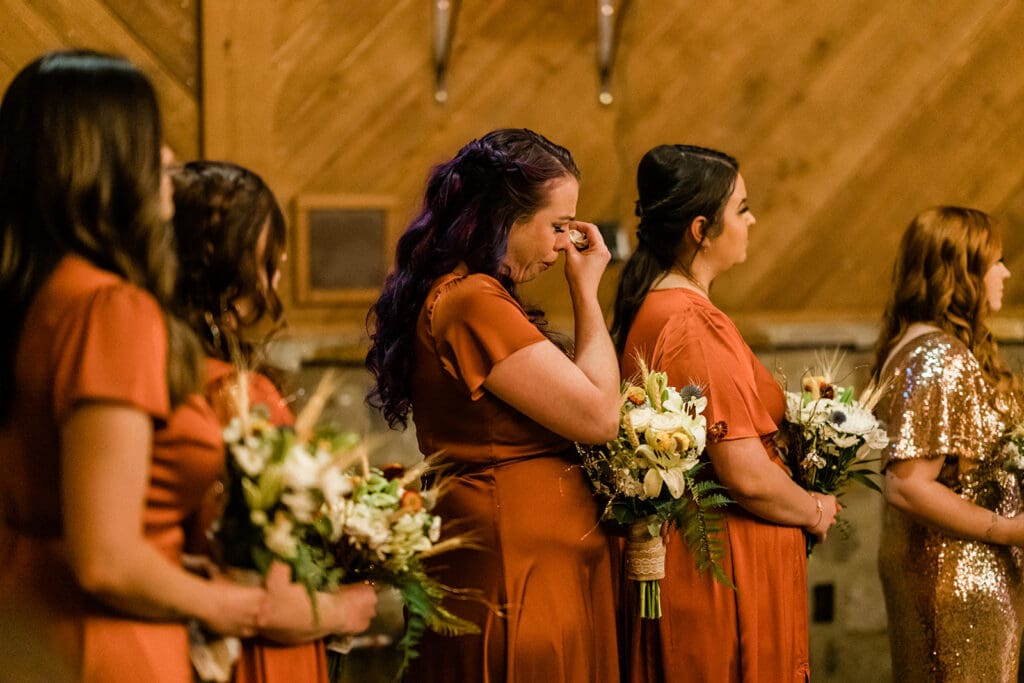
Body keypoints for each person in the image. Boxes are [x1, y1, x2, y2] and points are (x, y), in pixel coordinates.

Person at [0, 51, 265, 682]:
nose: (171, 162)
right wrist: (244, 608)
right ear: (104, 163)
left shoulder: (32, 298)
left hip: (26, 628)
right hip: (105, 645)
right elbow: (107, 559)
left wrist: (170, 566)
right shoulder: (110, 310)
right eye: (153, 141)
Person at [365, 128, 621, 681]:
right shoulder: (473, 301)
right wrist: (587, 292)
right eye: (557, 226)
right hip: (513, 566)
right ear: (504, 217)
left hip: (527, 555)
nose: (563, 245)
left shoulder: (474, 295)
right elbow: (600, 417)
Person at [609, 144, 840, 682]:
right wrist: (814, 510)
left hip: (716, 561)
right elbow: (743, 474)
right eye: (741, 208)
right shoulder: (690, 322)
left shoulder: (667, 305)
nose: (752, 220)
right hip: (719, 574)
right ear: (700, 229)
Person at [170, 160, 379, 682]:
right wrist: (346, 609)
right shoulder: (240, 395)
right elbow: (271, 596)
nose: (280, 266)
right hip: (257, 654)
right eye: (269, 253)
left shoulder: (153, 368)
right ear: (234, 266)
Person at [870, 206, 1024, 682]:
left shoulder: (913, 343)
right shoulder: (940, 355)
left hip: (939, 569)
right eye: (994, 262)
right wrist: (1008, 530)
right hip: (962, 577)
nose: (1005, 272)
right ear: (964, 274)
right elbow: (908, 486)